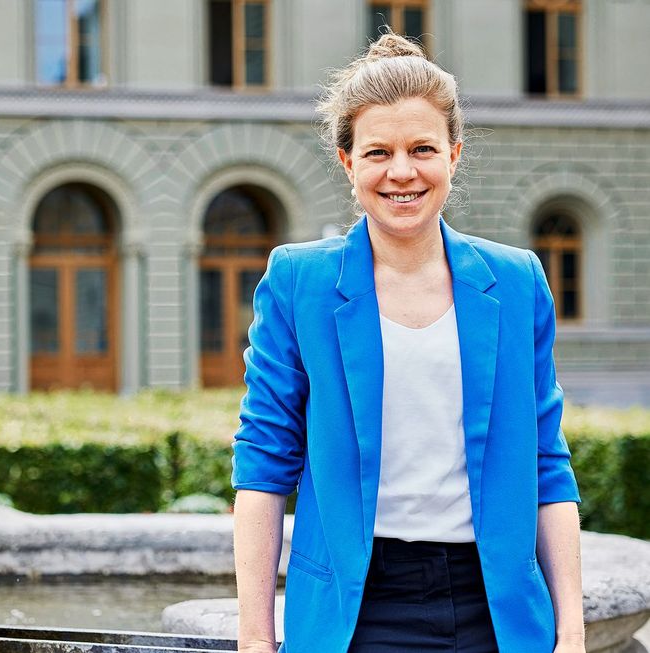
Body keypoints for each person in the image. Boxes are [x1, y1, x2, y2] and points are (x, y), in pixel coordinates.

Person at [231, 33, 585, 653]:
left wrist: (572, 633)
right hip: (354, 612)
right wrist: (257, 640)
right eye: (378, 152)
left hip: (496, 611)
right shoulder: (298, 282)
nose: (402, 171)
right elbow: (262, 468)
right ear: (348, 163)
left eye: (422, 148)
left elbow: (546, 465)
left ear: (454, 152)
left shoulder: (519, 280)